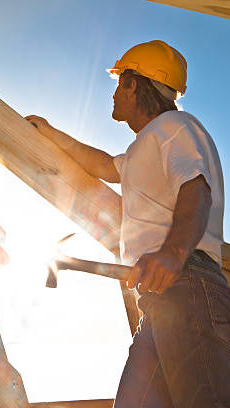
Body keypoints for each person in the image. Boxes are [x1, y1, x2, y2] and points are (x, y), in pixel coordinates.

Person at [26, 40, 230, 408]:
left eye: (119, 82)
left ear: (134, 84)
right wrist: (50, 134)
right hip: (160, 301)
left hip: (188, 285)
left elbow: (197, 189)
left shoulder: (176, 127)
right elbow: (105, 165)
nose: (114, 94)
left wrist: (172, 253)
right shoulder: (145, 147)